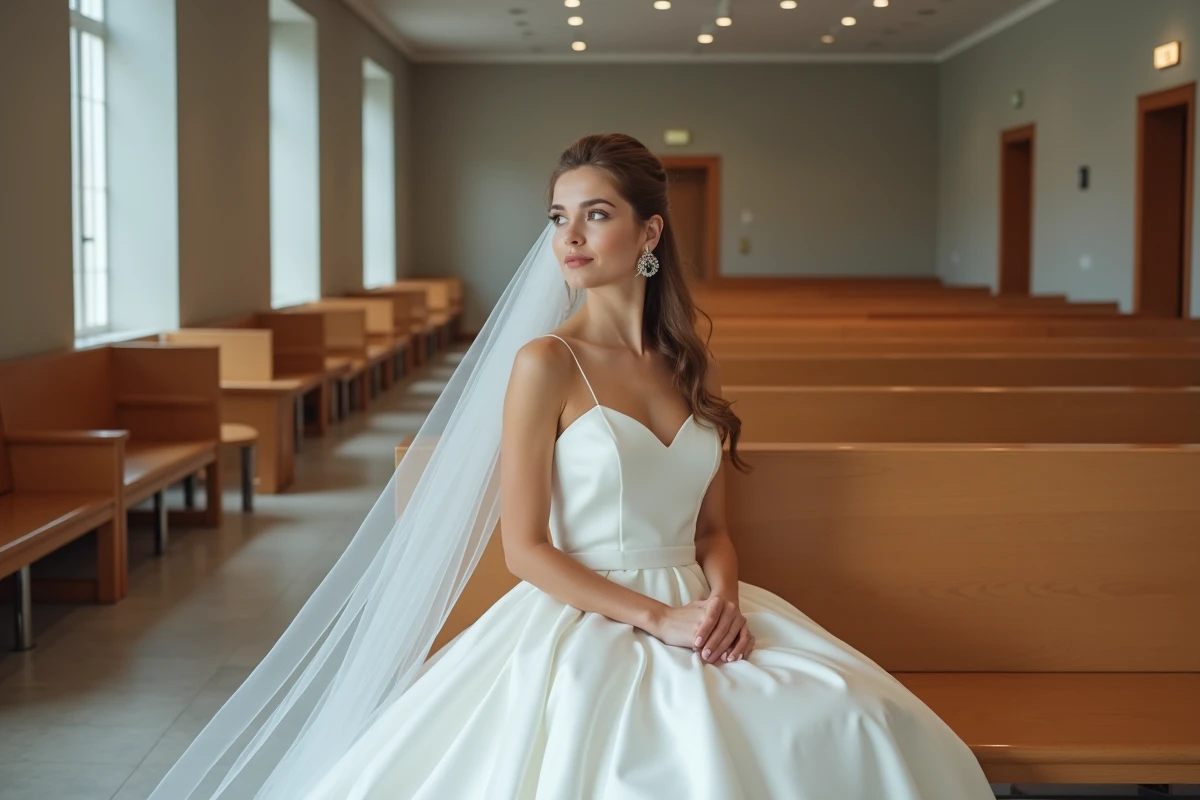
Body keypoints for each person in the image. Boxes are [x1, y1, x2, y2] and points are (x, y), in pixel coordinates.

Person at [150, 133, 996, 799]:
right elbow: (524, 548)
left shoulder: (689, 361)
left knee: (859, 716)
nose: (571, 237)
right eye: (559, 217)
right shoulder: (545, 363)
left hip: (699, 605)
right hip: (585, 614)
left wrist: (722, 606)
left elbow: (711, 529)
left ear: (649, 231)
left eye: (596, 214)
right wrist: (658, 620)